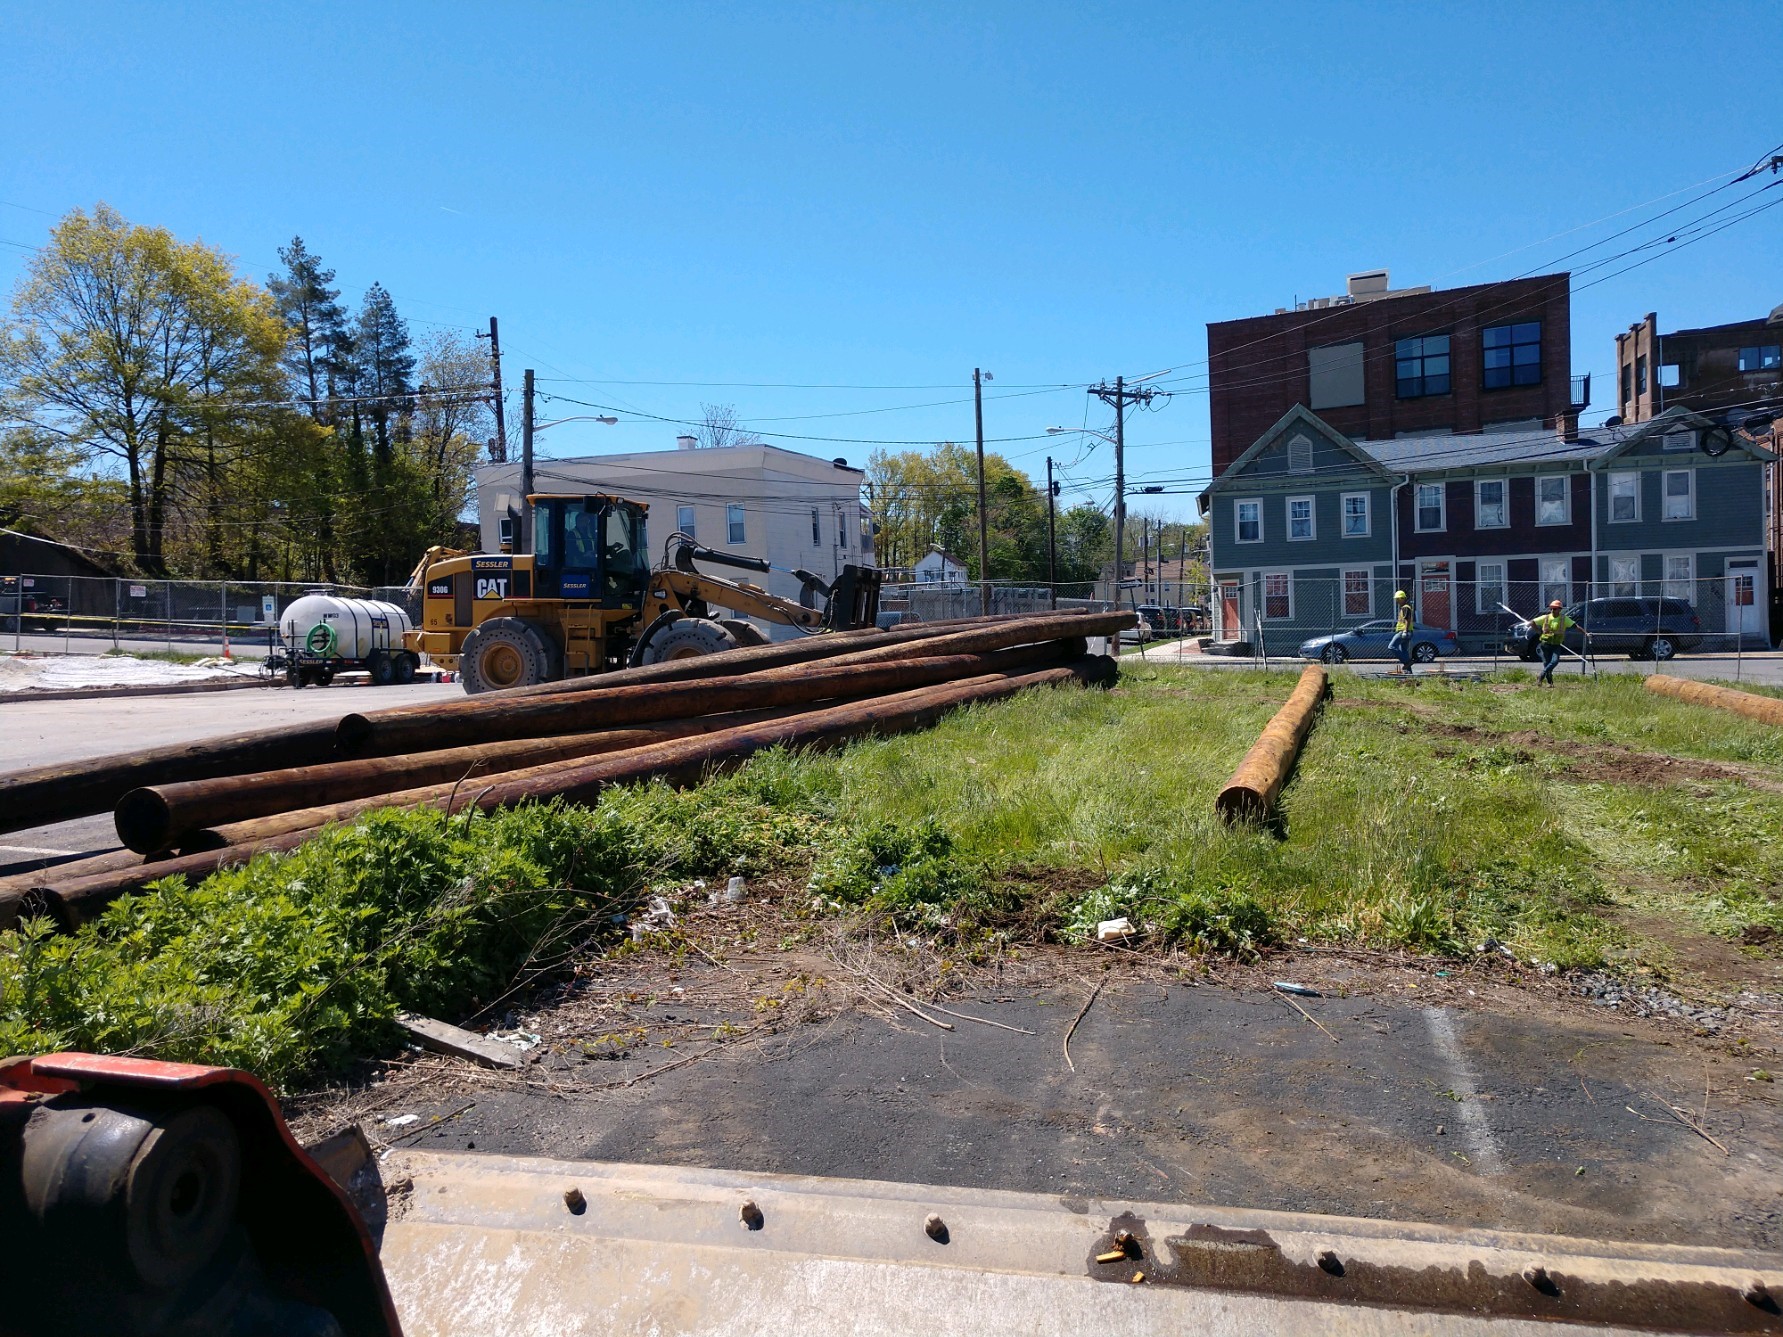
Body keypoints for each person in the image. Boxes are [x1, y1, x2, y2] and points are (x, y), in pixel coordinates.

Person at [1534, 598, 1576, 686]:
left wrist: (1585, 633)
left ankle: (1541, 675)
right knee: (1547, 663)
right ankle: (1550, 683)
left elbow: (1575, 626)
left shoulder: (1564, 619)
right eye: (1552, 608)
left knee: (1554, 661)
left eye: (1555, 608)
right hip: (1545, 644)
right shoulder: (1546, 618)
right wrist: (1538, 631)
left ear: (1560, 610)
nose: (1553, 610)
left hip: (1556, 645)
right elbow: (1532, 622)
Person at [1388, 590, 1415, 672]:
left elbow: (1407, 620)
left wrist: (1405, 631)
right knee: (1404, 650)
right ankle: (1408, 672)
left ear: (1402, 598)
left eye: (1398, 599)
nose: (1397, 601)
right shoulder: (1405, 608)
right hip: (1406, 632)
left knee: (1391, 647)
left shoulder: (1405, 608)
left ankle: (1407, 662)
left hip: (1404, 632)